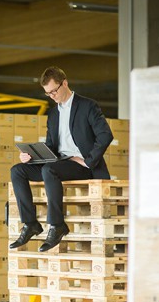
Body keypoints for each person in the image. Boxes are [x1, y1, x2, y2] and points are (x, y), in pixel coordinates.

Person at [9, 66, 113, 252]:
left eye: (54, 91)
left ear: (64, 83)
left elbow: (105, 135)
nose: (52, 96)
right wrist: (31, 155)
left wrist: (88, 160)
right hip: (59, 163)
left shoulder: (87, 106)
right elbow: (51, 146)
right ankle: (30, 223)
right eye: (48, 94)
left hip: (84, 166)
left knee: (50, 170)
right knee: (17, 170)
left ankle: (57, 225)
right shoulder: (53, 114)